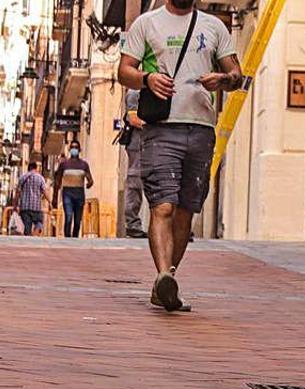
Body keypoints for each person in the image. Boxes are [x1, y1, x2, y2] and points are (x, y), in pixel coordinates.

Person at [118, 0, 243, 311]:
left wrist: (222, 80)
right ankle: (162, 275)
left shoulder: (215, 27)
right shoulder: (146, 23)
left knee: (186, 212)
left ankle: (167, 283)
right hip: (161, 127)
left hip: (201, 128)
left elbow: (238, 74)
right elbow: (124, 71)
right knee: (163, 205)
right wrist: (147, 79)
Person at [54, 140, 94, 238]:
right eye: (72, 147)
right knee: (68, 216)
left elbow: (90, 179)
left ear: (79, 150)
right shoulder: (64, 165)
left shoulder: (84, 165)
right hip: (67, 193)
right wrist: (54, 197)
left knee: (77, 220)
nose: (74, 149)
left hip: (79, 193)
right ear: (69, 149)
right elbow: (58, 181)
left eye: (76, 147)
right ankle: (67, 237)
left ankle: (75, 237)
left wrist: (89, 183)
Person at [122, 90, 148, 239]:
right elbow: (133, 119)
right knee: (135, 183)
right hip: (137, 145)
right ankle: (132, 224)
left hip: (151, 143)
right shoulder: (134, 94)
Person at [14, 161, 52, 236]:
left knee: (27, 227)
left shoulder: (22, 177)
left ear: (29, 168)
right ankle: (35, 233)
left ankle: (29, 239)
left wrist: (15, 205)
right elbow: (45, 191)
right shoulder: (40, 178)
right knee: (39, 222)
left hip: (25, 208)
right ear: (36, 168)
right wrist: (50, 202)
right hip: (36, 207)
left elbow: (17, 193)